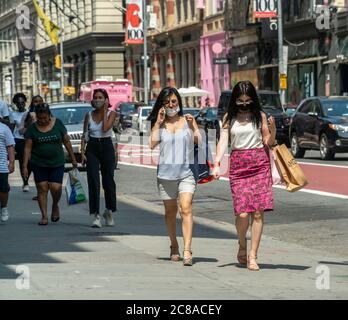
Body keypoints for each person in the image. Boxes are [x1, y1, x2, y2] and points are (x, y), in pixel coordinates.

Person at [213, 81, 276, 271]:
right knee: (241, 213)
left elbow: (268, 141)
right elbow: (223, 142)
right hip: (239, 166)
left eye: (248, 100)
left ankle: (252, 255)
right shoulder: (228, 118)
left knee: (257, 212)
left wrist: (272, 130)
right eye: (240, 100)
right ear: (234, 100)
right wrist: (217, 164)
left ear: (253, 99)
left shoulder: (260, 116)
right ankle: (242, 244)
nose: (244, 104)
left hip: (259, 163)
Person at [148, 87, 201, 266]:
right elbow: (152, 144)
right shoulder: (160, 123)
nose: (171, 105)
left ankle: (187, 249)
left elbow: (199, 141)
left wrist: (194, 127)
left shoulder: (187, 120)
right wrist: (157, 122)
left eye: (174, 101)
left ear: (179, 102)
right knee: (170, 212)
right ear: (162, 105)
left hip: (186, 173)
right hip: (165, 175)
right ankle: (174, 244)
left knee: (185, 208)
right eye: (167, 102)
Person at [23, 103, 77, 225]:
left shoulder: (58, 124)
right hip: (38, 163)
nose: (42, 120)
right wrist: (24, 166)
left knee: (56, 187)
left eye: (44, 118)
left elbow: (66, 142)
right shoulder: (32, 128)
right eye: (39, 118)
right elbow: (27, 148)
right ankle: (44, 216)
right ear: (36, 116)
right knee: (42, 189)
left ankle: (55, 205)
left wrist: (73, 158)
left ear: (49, 115)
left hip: (57, 162)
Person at [81, 89, 117, 228]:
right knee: (93, 181)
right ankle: (96, 215)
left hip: (106, 146)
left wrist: (104, 109)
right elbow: (85, 134)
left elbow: (105, 128)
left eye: (100, 98)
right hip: (93, 147)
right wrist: (83, 151)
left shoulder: (111, 113)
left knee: (108, 181)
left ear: (106, 99)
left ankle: (108, 211)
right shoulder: (88, 115)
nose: (97, 100)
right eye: (95, 98)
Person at [23, 95, 44, 201]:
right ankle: (39, 192)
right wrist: (31, 121)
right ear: (32, 103)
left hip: (44, 145)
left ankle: (44, 190)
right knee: (37, 170)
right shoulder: (29, 114)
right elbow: (24, 130)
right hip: (33, 147)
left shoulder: (47, 113)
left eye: (40, 101)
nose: (38, 103)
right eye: (36, 101)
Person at [9, 93, 31, 192]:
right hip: (19, 140)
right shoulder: (13, 114)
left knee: (30, 162)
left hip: (30, 139)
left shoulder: (29, 113)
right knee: (23, 161)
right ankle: (25, 182)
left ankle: (27, 176)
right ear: (15, 104)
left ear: (25, 102)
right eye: (18, 103)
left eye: (22, 102)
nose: (21, 104)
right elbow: (11, 128)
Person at [0, 122, 15, 223]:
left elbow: (10, 147)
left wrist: (12, 162)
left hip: (1, 165)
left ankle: (4, 208)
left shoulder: (4, 128)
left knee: (3, 188)